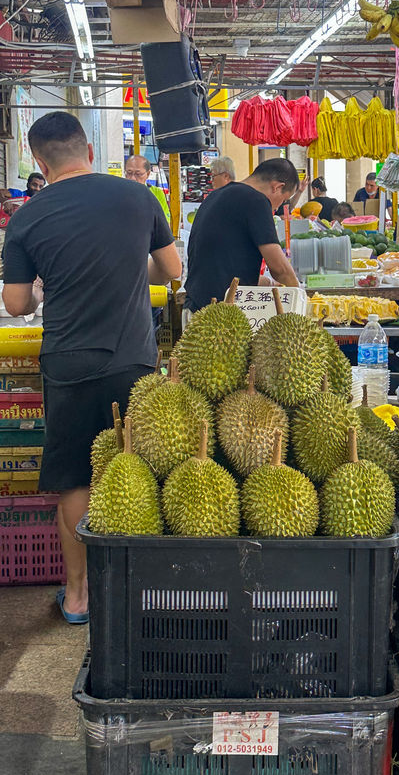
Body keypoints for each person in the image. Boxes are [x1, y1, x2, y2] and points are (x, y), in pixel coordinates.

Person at [1, 111, 181, 623]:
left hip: (69, 361)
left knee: (78, 479)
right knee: (139, 468)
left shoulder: (28, 216)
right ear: (89, 150)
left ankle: (78, 598)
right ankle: (145, 590)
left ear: (39, 160)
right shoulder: (138, 197)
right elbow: (170, 271)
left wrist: (41, 286)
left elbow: (16, 304)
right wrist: (128, 266)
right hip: (133, 359)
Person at [186, 158, 299, 313]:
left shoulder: (216, 196)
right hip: (219, 316)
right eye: (284, 199)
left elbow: (222, 262)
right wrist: (300, 298)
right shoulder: (257, 201)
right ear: (277, 187)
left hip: (196, 306)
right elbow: (280, 268)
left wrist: (266, 282)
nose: (279, 206)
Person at [125, 154, 171, 224]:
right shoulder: (119, 192)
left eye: (138, 174)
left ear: (148, 174)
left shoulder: (157, 193)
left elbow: (164, 223)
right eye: (129, 173)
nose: (132, 178)